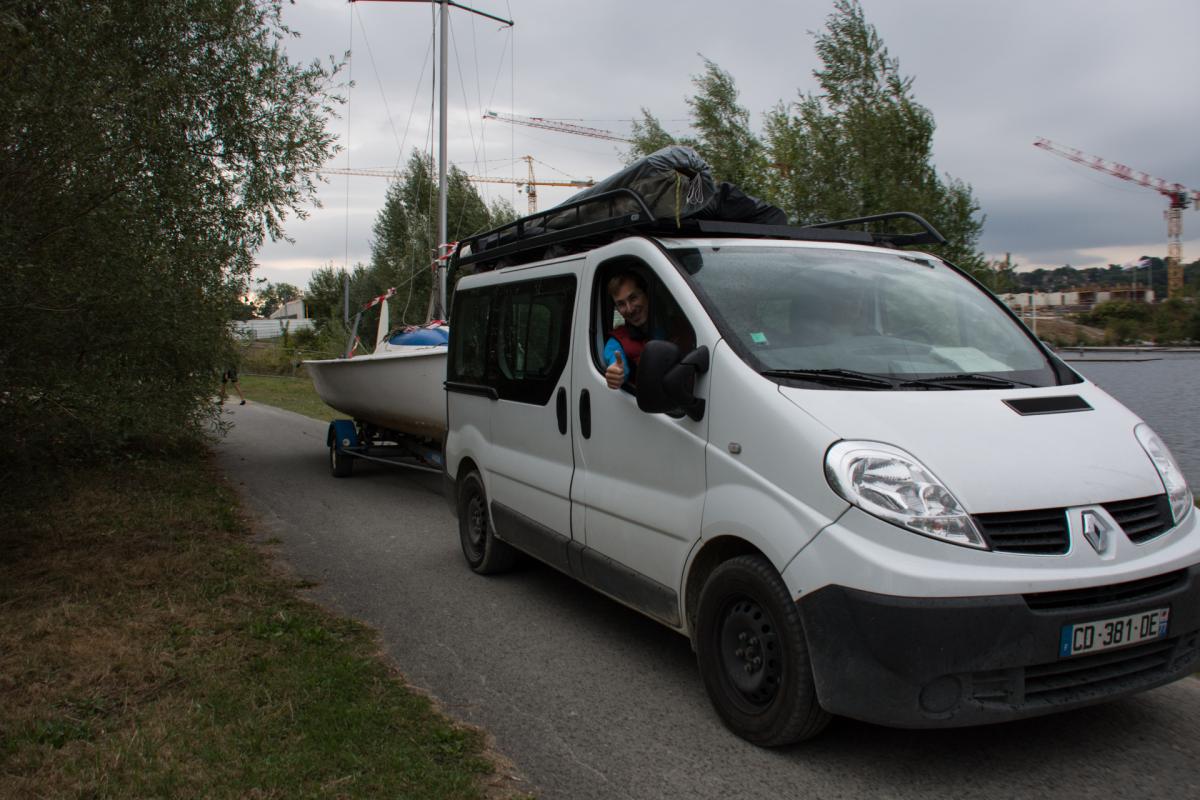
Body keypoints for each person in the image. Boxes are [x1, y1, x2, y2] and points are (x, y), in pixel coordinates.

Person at [602, 271, 659, 391]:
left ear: (647, 294)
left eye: (633, 298)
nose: (630, 309)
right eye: (621, 304)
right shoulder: (616, 342)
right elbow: (616, 361)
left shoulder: (677, 324)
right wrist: (617, 372)